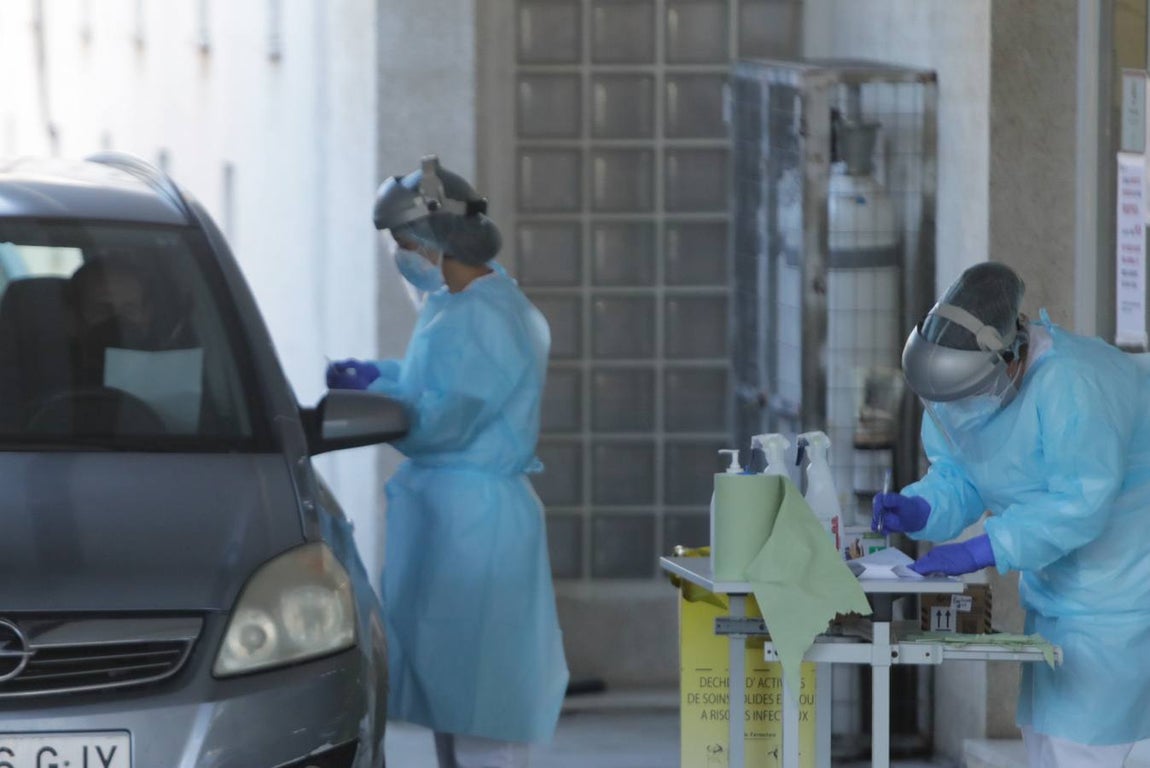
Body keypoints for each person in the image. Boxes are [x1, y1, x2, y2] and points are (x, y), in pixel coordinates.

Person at [327, 156, 568, 768]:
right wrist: (381, 378)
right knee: (454, 695)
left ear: (438, 243)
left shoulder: (487, 316)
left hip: (475, 523)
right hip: (454, 519)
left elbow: (439, 420)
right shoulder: (457, 304)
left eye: (407, 244)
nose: (402, 256)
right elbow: (429, 383)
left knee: (482, 701)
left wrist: (376, 399)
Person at [872, 262, 1150, 767]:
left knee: (1090, 749)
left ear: (1009, 356)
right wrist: (920, 507)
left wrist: (985, 547)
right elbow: (962, 470)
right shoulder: (972, 393)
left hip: (1124, 605)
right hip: (1058, 603)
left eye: (967, 395)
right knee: (1048, 744)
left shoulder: (1075, 384)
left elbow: (1079, 504)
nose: (959, 410)